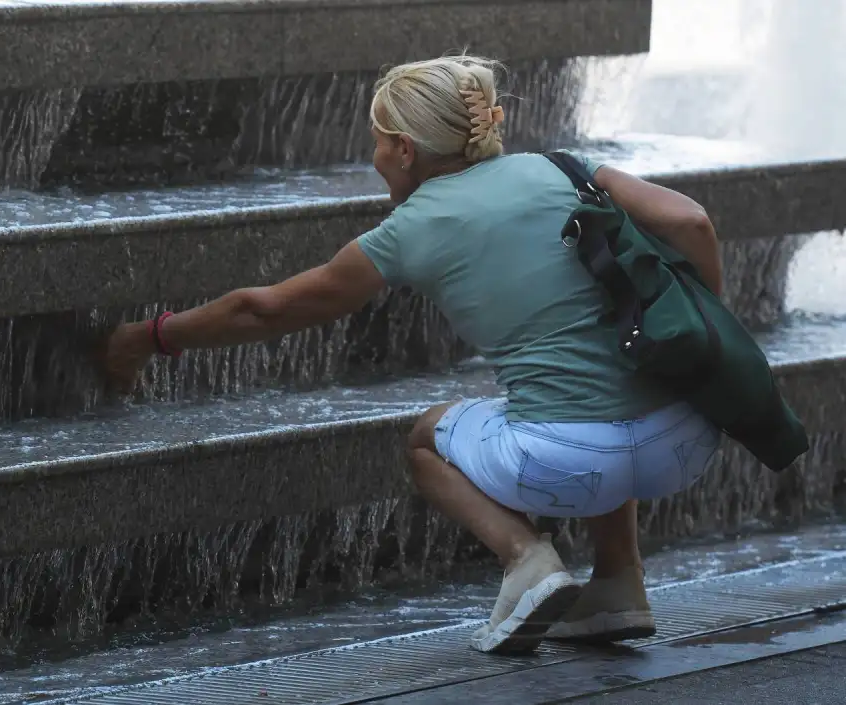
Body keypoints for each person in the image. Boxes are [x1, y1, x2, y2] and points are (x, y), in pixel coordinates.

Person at [102, 54, 723, 655]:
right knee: (604, 378)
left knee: (427, 440)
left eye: (376, 143)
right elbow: (692, 221)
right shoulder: (562, 169)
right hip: (687, 439)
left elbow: (263, 309)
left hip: (568, 461)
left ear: (404, 149)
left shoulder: (413, 227)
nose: (373, 159)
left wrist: (150, 337)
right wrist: (711, 334)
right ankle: (620, 583)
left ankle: (527, 561)